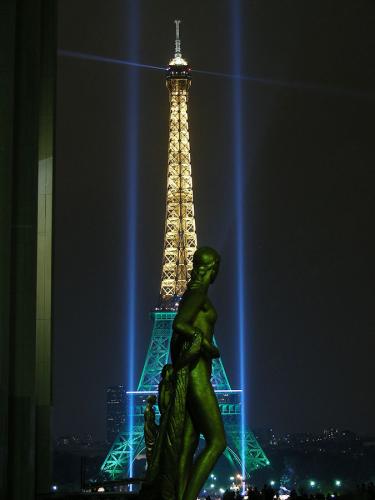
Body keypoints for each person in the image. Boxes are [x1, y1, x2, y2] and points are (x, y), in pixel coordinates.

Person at [171, 247, 226, 500]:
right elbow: (180, 323)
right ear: (212, 267)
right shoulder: (197, 293)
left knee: (189, 442)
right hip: (197, 374)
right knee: (217, 441)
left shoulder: (195, 293)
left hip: (194, 371)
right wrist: (207, 345)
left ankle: (181, 494)